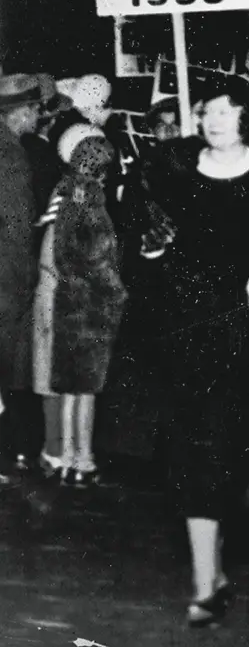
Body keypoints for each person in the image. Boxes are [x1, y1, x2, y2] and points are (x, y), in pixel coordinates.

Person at [136, 75, 249, 627]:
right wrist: (153, 247)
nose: (213, 120)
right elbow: (152, 241)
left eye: (226, 112)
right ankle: (206, 583)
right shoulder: (173, 171)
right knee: (195, 450)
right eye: (207, 112)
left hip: (245, 331)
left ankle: (222, 551)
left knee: (232, 454)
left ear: (246, 116)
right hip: (188, 326)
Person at [36, 128, 128, 487]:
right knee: (87, 388)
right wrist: (119, 295)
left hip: (65, 302)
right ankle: (83, 460)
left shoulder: (65, 194)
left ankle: (67, 457)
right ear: (102, 170)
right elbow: (100, 260)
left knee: (71, 387)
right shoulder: (93, 204)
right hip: (90, 306)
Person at [0, 74, 41, 479]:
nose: (39, 116)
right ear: (18, 113)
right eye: (34, 108)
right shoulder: (11, 156)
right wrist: (26, 277)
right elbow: (15, 226)